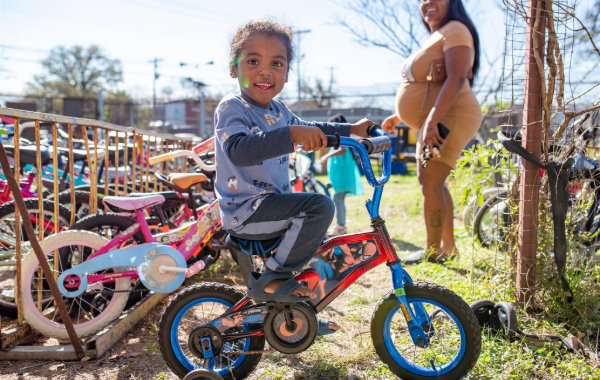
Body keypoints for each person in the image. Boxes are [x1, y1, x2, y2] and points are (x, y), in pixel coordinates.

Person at [214, 20, 374, 303]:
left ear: (287, 73)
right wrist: (290, 134)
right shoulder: (232, 107)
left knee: (317, 240)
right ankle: (274, 278)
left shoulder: (279, 110)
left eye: (277, 63)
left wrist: (352, 130)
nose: (265, 70)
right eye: (253, 61)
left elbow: (310, 126)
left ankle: (296, 309)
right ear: (233, 68)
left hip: (270, 205)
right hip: (246, 211)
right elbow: (238, 150)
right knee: (319, 207)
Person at [382, 0, 482, 263]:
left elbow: (457, 79)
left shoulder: (456, 30)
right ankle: (447, 248)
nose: (427, 3)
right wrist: (401, 116)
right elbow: (432, 86)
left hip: (451, 116)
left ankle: (432, 251)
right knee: (434, 183)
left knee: (431, 182)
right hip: (439, 116)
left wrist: (430, 121)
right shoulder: (439, 35)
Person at [320, 114, 364, 235]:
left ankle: (341, 226)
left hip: (342, 175)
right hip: (341, 174)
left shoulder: (340, 138)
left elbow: (342, 150)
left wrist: (326, 156)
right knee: (338, 199)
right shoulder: (341, 139)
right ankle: (341, 225)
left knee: (337, 198)